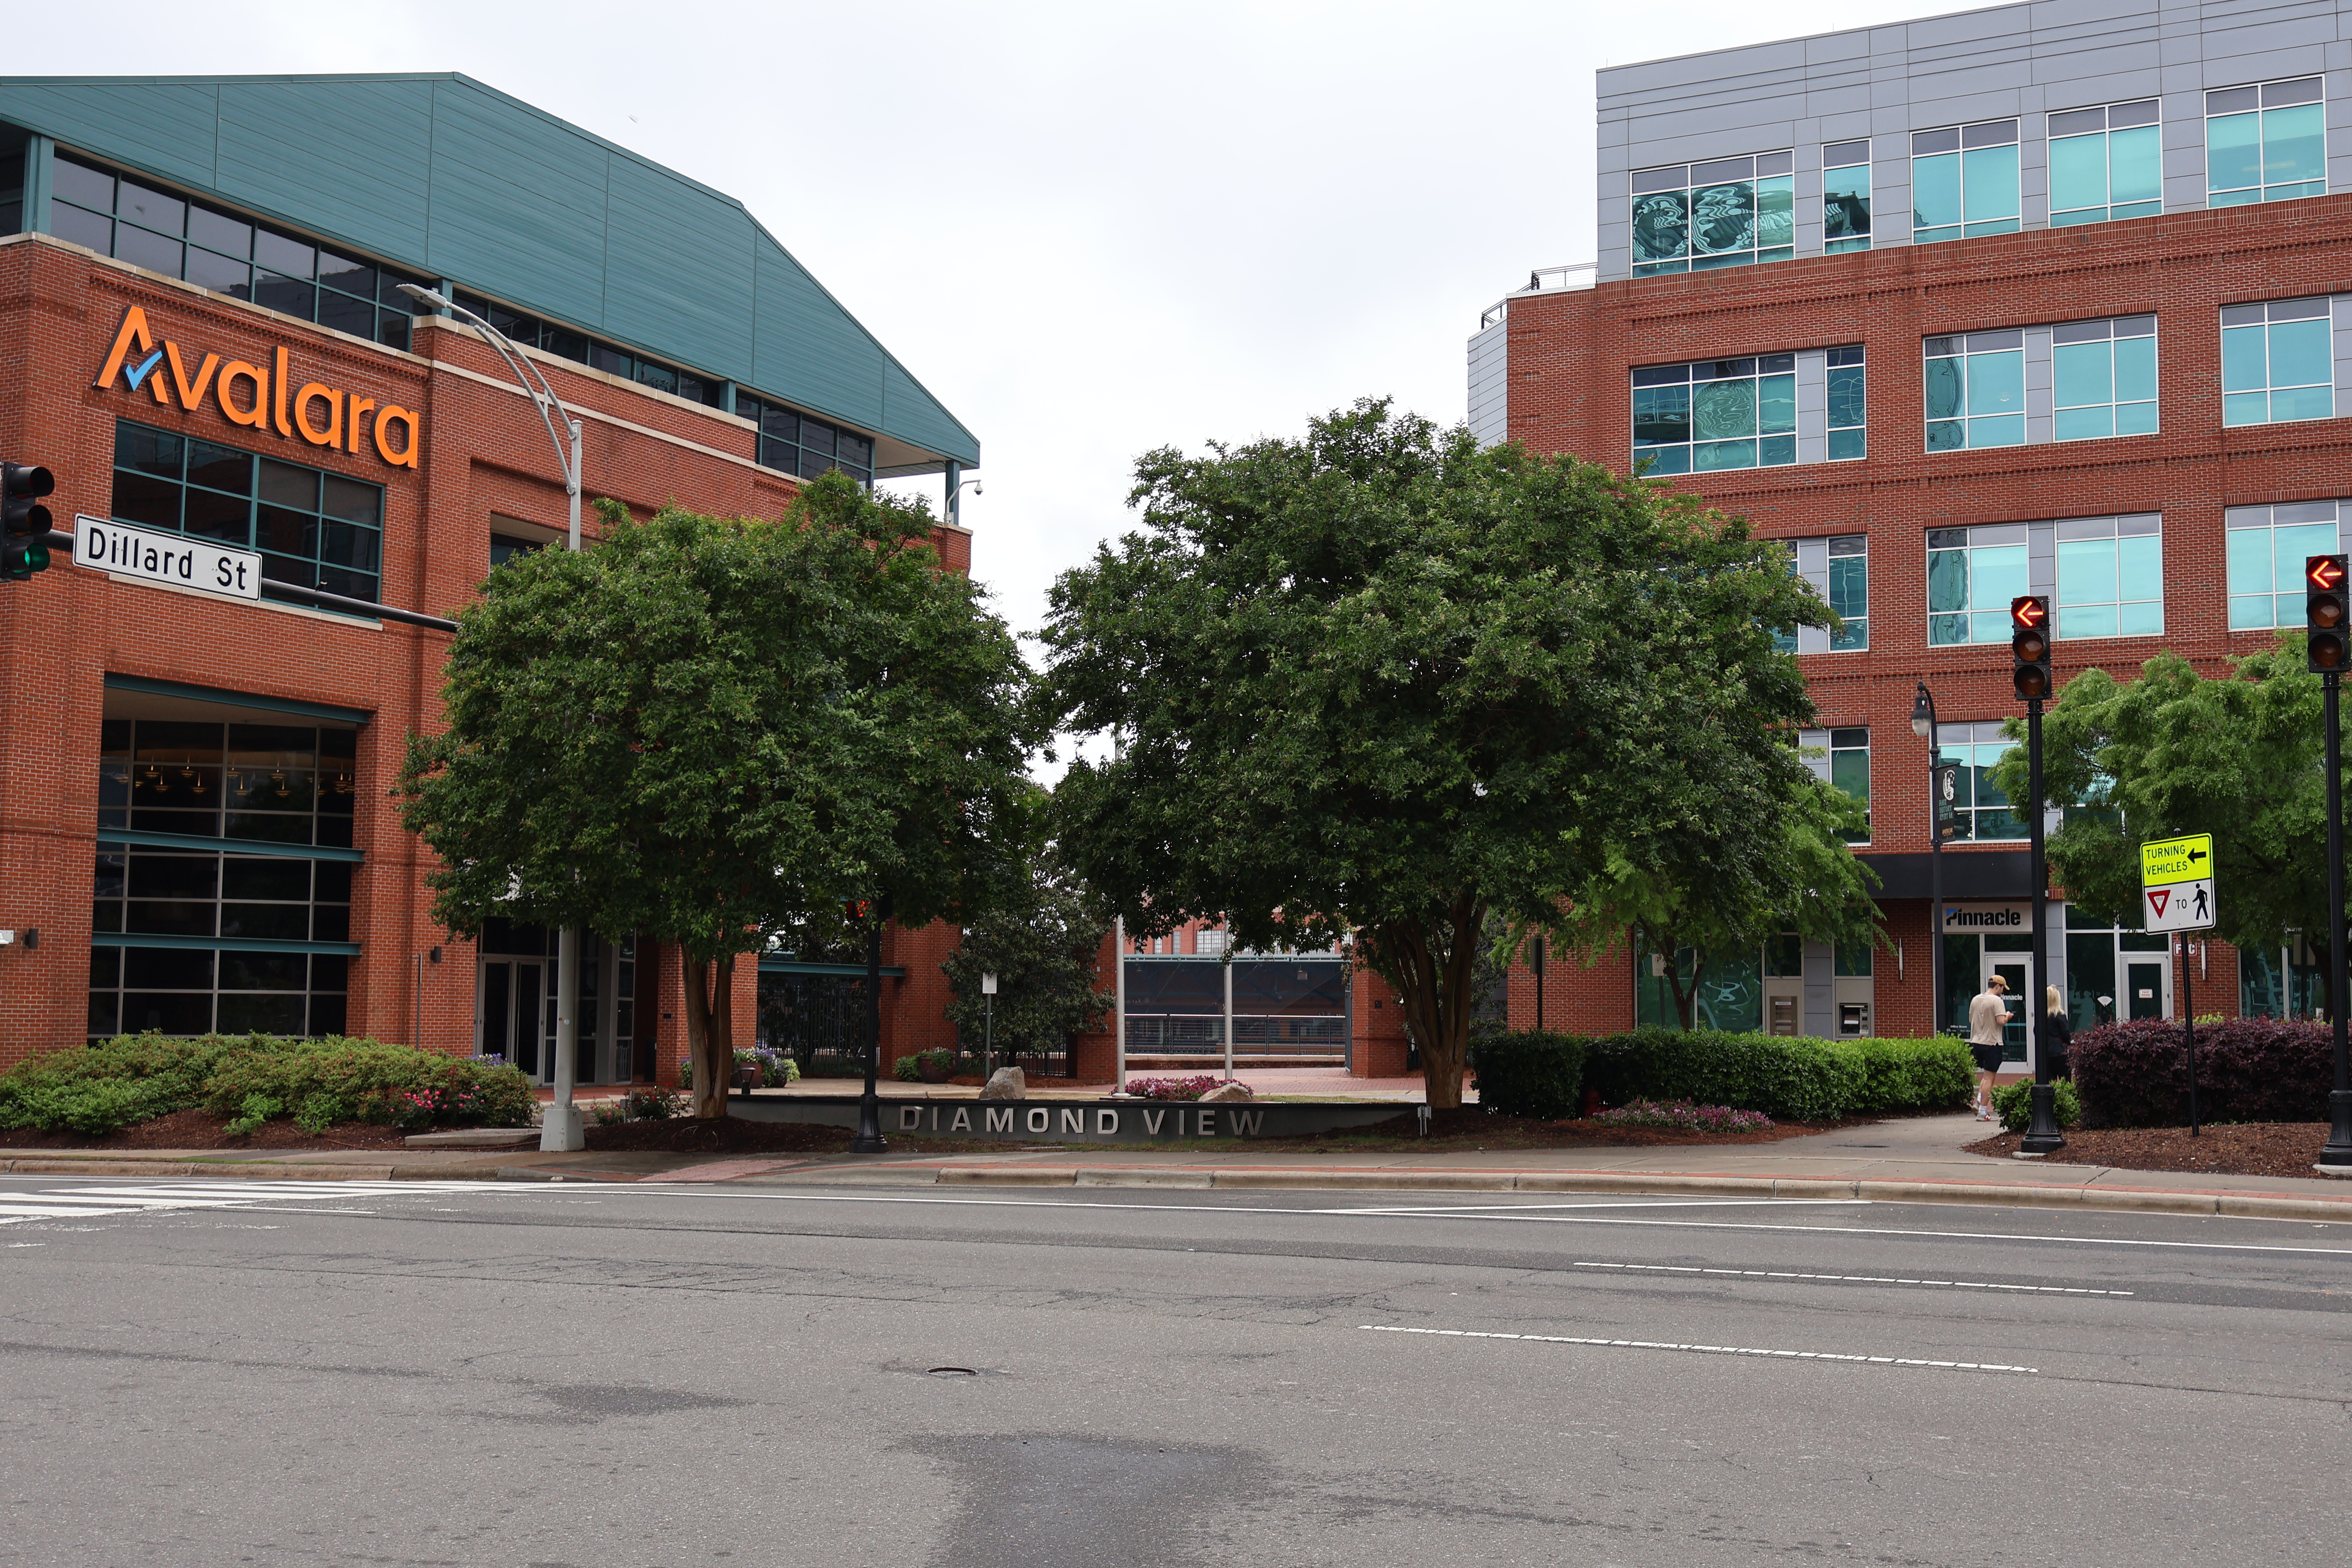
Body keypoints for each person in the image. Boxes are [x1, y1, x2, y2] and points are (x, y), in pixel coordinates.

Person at [1967, 975, 2013, 1121]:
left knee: (1985, 1076)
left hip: (1977, 1043)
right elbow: (2001, 1021)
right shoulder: (1996, 1001)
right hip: (1992, 1043)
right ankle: (1983, 1112)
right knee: (1990, 1079)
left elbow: (1971, 1019)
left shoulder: (1975, 999)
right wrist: (2008, 1016)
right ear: (1998, 986)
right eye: (2003, 989)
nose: (2003, 992)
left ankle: (1978, 1102)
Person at [2042, 984, 2073, 1081]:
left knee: (2050, 1082)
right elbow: (2066, 1035)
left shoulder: (2041, 1016)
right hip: (2060, 1052)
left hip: (2045, 1053)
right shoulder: (2060, 1015)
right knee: (2066, 1081)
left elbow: (2036, 1032)